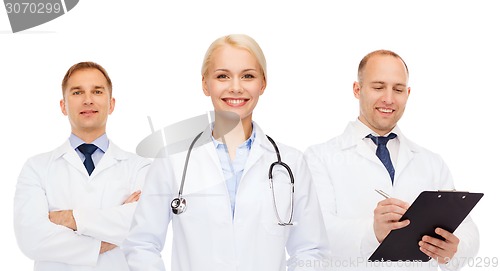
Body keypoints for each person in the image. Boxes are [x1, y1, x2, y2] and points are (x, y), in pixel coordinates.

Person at [123, 34, 330, 271]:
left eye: (248, 76)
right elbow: (142, 244)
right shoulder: (172, 160)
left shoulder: (291, 162)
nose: (235, 87)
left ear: (262, 83)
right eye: (222, 76)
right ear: (205, 84)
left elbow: (310, 250)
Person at [304, 50, 479, 270]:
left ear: (408, 93)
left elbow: (467, 229)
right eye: (378, 87)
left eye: (397, 89)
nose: (388, 98)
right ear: (357, 90)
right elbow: (314, 235)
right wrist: (373, 231)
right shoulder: (319, 157)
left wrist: (454, 249)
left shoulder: (431, 162)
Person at [14, 62, 151, 271]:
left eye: (97, 91)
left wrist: (69, 218)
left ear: (111, 104)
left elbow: (144, 223)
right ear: (63, 106)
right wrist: (112, 235)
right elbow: (31, 239)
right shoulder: (37, 168)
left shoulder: (140, 168)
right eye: (77, 92)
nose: (88, 100)